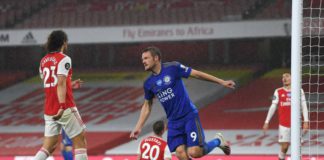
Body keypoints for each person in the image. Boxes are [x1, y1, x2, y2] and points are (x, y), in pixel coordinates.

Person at [130, 46, 235, 159]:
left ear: (156, 58)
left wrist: (221, 82)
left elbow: (197, 74)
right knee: (180, 153)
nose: (143, 61)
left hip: (188, 115)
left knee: (195, 152)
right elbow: (147, 105)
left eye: (146, 58)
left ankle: (218, 141)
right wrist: (138, 126)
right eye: (142, 59)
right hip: (173, 122)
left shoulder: (173, 68)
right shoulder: (148, 83)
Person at [34, 30, 88, 160]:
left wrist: (70, 84)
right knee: (80, 141)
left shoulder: (43, 61)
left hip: (49, 108)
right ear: (64, 42)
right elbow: (60, 84)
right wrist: (62, 106)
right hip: (64, 107)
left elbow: (52, 83)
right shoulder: (64, 59)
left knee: (49, 146)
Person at [263, 73, 309, 160]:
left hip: (296, 124)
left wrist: (306, 121)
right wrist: (266, 121)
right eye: (283, 77)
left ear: (292, 78)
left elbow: (304, 106)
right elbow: (273, 106)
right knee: (284, 147)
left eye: (287, 76)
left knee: (297, 147)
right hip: (283, 124)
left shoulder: (299, 90)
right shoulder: (278, 91)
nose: (284, 78)